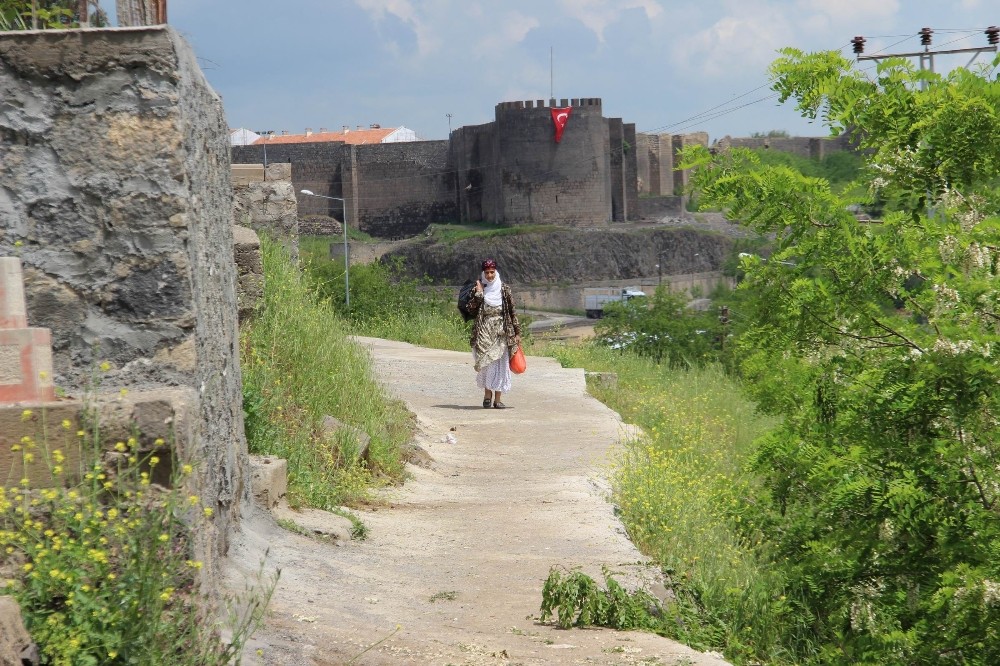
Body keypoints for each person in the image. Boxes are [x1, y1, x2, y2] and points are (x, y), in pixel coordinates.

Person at [467, 259, 521, 409]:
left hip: (501, 331)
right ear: (483, 273)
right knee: (486, 363)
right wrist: (478, 294)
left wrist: (517, 332)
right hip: (484, 330)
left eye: (492, 272)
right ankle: (487, 395)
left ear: (496, 272)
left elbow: (512, 311)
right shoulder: (479, 288)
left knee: (501, 363)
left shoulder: (504, 289)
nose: (490, 275)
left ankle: (498, 399)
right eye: (487, 272)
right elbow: (471, 310)